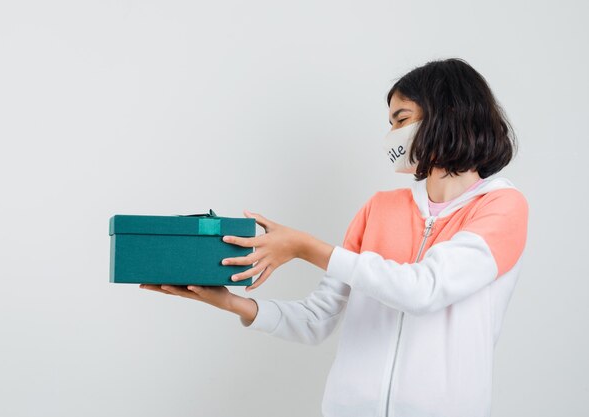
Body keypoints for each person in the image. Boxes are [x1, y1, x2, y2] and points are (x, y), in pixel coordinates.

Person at [141, 57, 529, 417]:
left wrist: (306, 248)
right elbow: (317, 319)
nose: (391, 134)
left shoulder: (502, 207)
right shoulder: (379, 208)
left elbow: (423, 290)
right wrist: (232, 303)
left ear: (449, 115)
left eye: (401, 119)